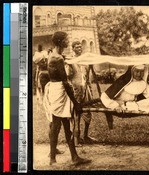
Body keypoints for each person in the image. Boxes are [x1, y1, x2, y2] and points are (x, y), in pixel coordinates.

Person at [43, 31, 91, 165]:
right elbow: (65, 82)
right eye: (66, 39)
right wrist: (76, 102)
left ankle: (73, 157)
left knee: (65, 125)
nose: (68, 41)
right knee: (57, 125)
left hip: (56, 90)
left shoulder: (54, 55)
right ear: (60, 42)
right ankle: (53, 159)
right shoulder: (57, 59)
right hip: (59, 91)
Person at [65, 41, 97, 146]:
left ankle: (86, 136)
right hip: (76, 90)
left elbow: (87, 76)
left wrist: (89, 89)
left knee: (88, 112)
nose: (79, 48)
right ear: (73, 48)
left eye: (80, 47)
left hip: (85, 89)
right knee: (76, 114)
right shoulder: (71, 61)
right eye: (77, 47)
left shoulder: (85, 60)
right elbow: (68, 77)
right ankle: (76, 140)